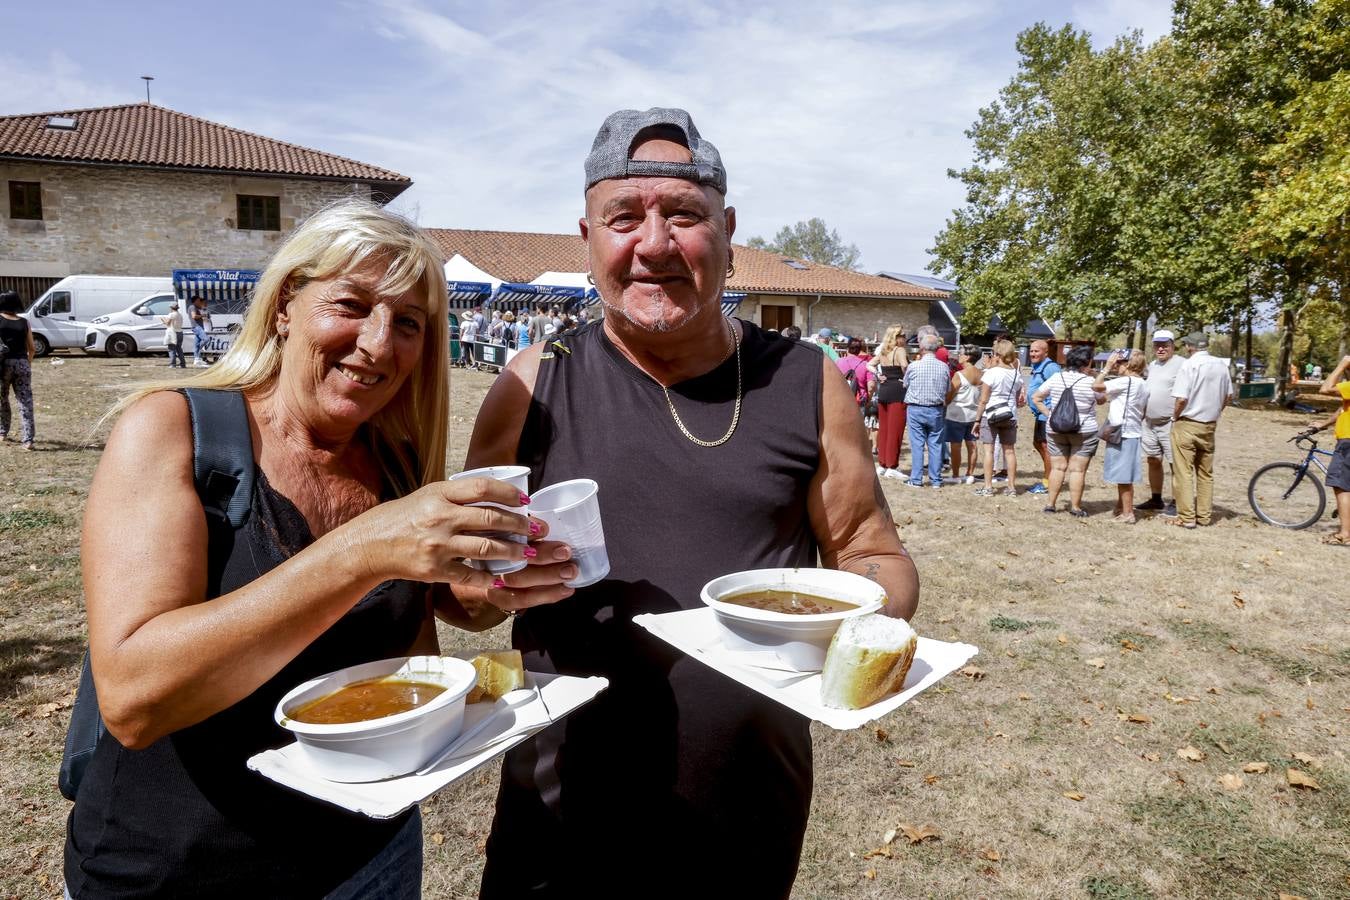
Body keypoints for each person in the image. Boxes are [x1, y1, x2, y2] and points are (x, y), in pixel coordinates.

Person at [463, 107, 919, 899]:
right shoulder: (532, 383)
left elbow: (870, 548)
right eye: (624, 218)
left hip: (746, 812)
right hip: (562, 809)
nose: (653, 245)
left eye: (683, 215)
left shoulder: (806, 380)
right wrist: (485, 585)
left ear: (728, 228)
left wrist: (864, 632)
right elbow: (461, 596)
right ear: (587, 237)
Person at [63, 200, 576, 898]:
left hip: (372, 860)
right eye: (352, 304)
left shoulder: (392, 462)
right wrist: (361, 549)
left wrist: (487, 597)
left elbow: (413, 654)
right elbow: (133, 698)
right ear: (283, 306)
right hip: (178, 874)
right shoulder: (175, 431)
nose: (377, 343)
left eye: (408, 323)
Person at [1168, 331, 1234, 529]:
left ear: (1189, 346)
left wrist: (1175, 416)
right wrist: (1216, 411)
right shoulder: (1221, 365)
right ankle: (1204, 516)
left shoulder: (1188, 365)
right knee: (1206, 473)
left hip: (1188, 422)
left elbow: (1181, 398)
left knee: (1183, 472)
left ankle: (1186, 516)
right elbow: (1228, 396)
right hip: (1209, 424)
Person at [1032, 345, 1100, 516]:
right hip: (1084, 430)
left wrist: (1049, 414)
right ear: (1087, 362)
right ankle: (1075, 508)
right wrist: (1097, 377)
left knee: (1057, 468)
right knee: (1077, 470)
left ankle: (1050, 504)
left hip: (1056, 429)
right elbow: (1102, 400)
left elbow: (1036, 397)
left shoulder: (1056, 378)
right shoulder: (1090, 382)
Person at [1094, 350, 1149, 523]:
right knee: (1123, 474)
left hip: (1122, 432)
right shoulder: (1143, 383)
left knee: (1124, 476)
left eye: (1120, 362)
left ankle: (1128, 513)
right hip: (1133, 431)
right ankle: (1121, 508)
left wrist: (1106, 369)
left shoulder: (1126, 381)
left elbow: (1096, 386)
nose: (1117, 365)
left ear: (1129, 364)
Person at [1137, 330, 1183, 516]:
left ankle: (1177, 500)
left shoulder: (1182, 364)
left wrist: (1176, 416)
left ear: (1173, 346)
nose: (1161, 348)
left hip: (1170, 423)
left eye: (1165, 345)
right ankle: (1156, 498)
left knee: (1175, 463)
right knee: (1153, 460)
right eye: (1157, 345)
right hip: (1149, 422)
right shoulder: (1153, 365)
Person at [972, 339, 1023, 496]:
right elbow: (1016, 396)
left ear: (998, 354)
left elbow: (983, 399)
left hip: (990, 414)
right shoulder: (1016, 374)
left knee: (989, 450)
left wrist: (977, 420)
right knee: (1010, 451)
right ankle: (1012, 487)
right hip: (1009, 414)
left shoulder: (991, 373)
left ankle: (988, 487)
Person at [1311, 354, 1350, 545]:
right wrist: (1323, 424)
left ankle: (1344, 533)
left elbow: (1324, 388)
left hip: (1348, 442)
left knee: (1341, 486)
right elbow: (1344, 409)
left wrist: (1341, 365)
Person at [903, 333, 949, 489]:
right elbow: (947, 388)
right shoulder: (944, 367)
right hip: (935, 409)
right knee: (935, 444)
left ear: (921, 348)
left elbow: (906, 384)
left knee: (917, 445)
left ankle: (916, 479)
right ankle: (936, 479)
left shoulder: (913, 366)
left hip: (916, 408)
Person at [871, 325, 909, 479]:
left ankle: (882, 463)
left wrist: (878, 375)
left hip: (884, 390)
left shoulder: (883, 351)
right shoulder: (899, 350)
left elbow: (870, 365)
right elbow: (905, 367)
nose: (905, 338)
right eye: (904, 335)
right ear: (897, 337)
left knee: (884, 429)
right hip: (897, 391)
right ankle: (892, 465)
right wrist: (907, 379)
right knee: (896, 430)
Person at [0, 290, 36, 450]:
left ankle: (2, 432)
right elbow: (32, 348)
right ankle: (28, 440)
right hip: (22, 363)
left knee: (2, 399)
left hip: (3, 365)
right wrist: (26, 363)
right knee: (25, 401)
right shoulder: (24, 322)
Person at [1026, 339, 1061, 495]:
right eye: (1031, 351)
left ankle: (1048, 483)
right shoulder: (1037, 366)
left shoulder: (1051, 367)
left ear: (1045, 352)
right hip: (1039, 414)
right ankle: (1052, 476)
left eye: (1036, 351)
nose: (1033, 354)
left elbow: (1060, 388)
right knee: (1038, 444)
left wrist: (1051, 410)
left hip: (1046, 414)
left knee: (1046, 447)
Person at [944, 344, 982, 484]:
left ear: (968, 357)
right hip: (974, 414)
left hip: (957, 414)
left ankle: (955, 475)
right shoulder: (981, 374)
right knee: (972, 444)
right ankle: (970, 474)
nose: (959, 356)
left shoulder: (959, 375)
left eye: (961, 354)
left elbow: (950, 395)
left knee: (956, 445)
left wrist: (945, 402)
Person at [836, 337, 875, 422]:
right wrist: (868, 398)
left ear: (847, 349)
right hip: (859, 399)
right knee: (857, 428)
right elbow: (871, 386)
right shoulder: (865, 365)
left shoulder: (838, 362)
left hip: (841, 398)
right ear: (859, 350)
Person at [160, 300, 186, 368]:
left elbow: (167, 323)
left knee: (171, 349)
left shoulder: (171, 314)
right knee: (179, 349)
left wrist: (162, 319)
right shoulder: (180, 315)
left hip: (173, 333)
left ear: (171, 307)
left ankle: (173, 364)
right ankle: (183, 364)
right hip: (180, 332)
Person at [189, 295, 211, 367]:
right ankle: (198, 354)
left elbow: (202, 308)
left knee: (196, 344)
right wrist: (203, 315)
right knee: (206, 339)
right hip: (197, 327)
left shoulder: (196, 307)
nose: (200, 302)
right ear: (195, 301)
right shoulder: (192, 307)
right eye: (198, 301)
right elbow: (194, 316)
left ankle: (197, 359)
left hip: (199, 327)